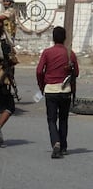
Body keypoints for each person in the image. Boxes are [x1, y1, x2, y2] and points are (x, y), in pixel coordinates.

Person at [36, 26, 79, 158]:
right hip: (65, 90)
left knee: (51, 119)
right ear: (65, 38)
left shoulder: (47, 52)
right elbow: (76, 73)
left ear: (53, 38)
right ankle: (64, 146)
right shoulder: (70, 53)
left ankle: (56, 143)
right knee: (64, 119)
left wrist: (42, 85)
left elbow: (39, 71)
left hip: (50, 90)